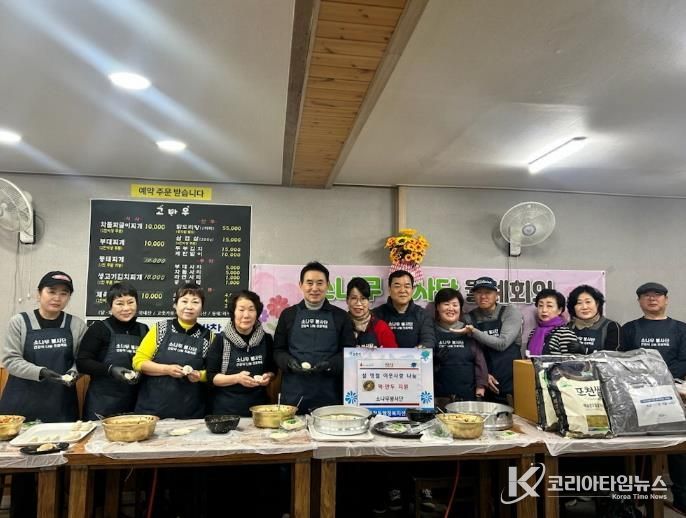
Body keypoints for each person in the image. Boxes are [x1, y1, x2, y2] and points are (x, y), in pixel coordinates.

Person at [0, 271, 86, 518]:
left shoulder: (75, 325)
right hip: (21, 407)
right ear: (39, 293)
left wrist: (73, 373)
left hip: (59, 407)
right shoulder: (20, 322)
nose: (57, 298)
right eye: (51, 292)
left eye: (64, 294)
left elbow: (82, 359)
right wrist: (42, 372)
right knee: (21, 469)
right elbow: (10, 360)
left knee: (57, 466)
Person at [620, 282, 686, 512]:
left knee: (677, 448)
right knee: (639, 447)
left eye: (657, 295)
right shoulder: (630, 329)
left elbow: (684, 360)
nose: (652, 298)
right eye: (646, 295)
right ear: (639, 301)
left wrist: (661, 378)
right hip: (638, 394)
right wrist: (646, 380)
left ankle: (682, 498)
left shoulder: (681, 329)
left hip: (673, 395)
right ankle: (640, 497)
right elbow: (623, 359)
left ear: (666, 299)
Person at [273, 261, 355, 412]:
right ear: (301, 285)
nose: (314, 288)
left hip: (330, 393)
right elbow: (278, 350)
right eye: (309, 283)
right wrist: (289, 362)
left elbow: (349, 352)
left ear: (328, 285)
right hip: (294, 393)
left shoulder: (341, 316)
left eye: (320, 283)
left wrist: (330, 364)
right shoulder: (288, 315)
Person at [133, 282, 217, 419]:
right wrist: (166, 369)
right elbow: (138, 362)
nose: (189, 307)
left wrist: (199, 375)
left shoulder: (209, 337)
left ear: (202, 308)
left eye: (195, 302)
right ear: (175, 305)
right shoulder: (160, 329)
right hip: (152, 410)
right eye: (184, 301)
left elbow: (212, 373)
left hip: (190, 412)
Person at [77, 282, 148, 419]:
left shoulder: (143, 330)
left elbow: (148, 360)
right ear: (110, 306)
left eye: (130, 302)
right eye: (119, 303)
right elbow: (82, 362)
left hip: (134, 402)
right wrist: (111, 369)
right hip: (102, 403)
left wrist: (141, 372)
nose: (126, 308)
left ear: (137, 304)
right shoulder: (99, 328)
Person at [207, 290, 276, 416]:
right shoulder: (221, 340)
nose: (246, 315)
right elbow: (212, 377)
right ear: (233, 312)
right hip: (226, 410)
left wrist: (268, 376)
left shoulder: (266, 339)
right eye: (241, 309)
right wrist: (237, 378)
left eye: (251, 309)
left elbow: (272, 369)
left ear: (257, 313)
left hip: (259, 409)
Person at [460, 276, 523, 405]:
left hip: (512, 381)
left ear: (497, 295)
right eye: (479, 292)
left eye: (488, 292)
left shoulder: (510, 312)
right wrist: (484, 375)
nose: (483, 296)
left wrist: (474, 331)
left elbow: (502, 343)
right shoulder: (468, 318)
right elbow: (469, 354)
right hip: (484, 384)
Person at [433, 288, 488, 405]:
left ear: (460, 308)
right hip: (437, 398)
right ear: (437, 307)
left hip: (467, 398)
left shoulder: (469, 330)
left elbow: (480, 361)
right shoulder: (430, 331)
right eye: (446, 304)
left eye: (455, 305)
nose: (451, 308)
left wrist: (481, 386)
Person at [372, 270, 435, 349]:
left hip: (414, 356)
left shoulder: (423, 315)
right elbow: (371, 339)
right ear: (389, 290)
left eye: (407, 286)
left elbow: (429, 340)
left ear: (412, 290)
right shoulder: (377, 314)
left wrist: (421, 349)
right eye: (397, 286)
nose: (402, 290)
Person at [566, 285, 621, 353]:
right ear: (573, 307)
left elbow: (613, 355)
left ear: (597, 304)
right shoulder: (568, 327)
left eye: (588, 302)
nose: (584, 307)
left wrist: (586, 351)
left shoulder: (611, 326)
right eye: (579, 303)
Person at [525, 289, 581, 356]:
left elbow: (572, 361)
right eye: (540, 305)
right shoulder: (533, 332)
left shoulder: (565, 334)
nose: (544, 310)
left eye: (549, 306)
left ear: (559, 310)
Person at [346, 277, 397, 348]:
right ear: (347, 300)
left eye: (363, 298)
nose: (358, 303)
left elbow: (392, 354)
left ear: (369, 301)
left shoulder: (381, 328)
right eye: (354, 298)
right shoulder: (339, 325)